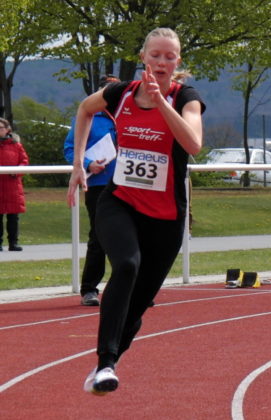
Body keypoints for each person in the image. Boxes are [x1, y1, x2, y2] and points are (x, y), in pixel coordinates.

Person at [67, 27, 205, 395]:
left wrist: (163, 103)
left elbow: (193, 144)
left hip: (165, 217)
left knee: (140, 303)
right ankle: (106, 364)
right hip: (120, 202)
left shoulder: (185, 97)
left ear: (178, 62)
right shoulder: (120, 93)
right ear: (143, 56)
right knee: (126, 264)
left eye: (170, 57)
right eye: (156, 55)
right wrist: (78, 163)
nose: (162, 62)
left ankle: (106, 362)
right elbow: (83, 109)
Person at [64, 74, 120, 306]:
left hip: (129, 183)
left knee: (132, 236)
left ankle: (129, 289)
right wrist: (88, 164)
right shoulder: (88, 117)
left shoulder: (128, 117)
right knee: (99, 236)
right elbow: (69, 149)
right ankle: (89, 289)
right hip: (98, 184)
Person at [0, 118, 29, 251]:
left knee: (13, 217)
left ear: (7, 129)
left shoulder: (16, 145)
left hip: (12, 186)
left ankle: (13, 243)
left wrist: (16, 171)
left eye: (1, 127)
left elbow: (24, 161)